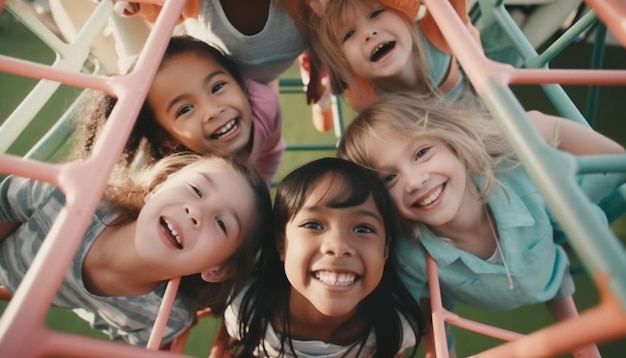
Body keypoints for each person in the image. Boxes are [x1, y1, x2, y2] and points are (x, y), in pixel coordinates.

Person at [337, 92, 625, 357]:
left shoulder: (526, 186)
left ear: (454, 144)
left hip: (546, 269)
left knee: (556, 276)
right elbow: (403, 314)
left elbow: (615, 164)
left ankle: (582, 342)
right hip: (458, 290)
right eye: (389, 178)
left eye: (422, 152)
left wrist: (541, 125)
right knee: (433, 308)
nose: (415, 181)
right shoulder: (412, 253)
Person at [0, 152, 273, 347]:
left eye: (221, 223)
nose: (196, 212)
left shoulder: (164, 317)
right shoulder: (67, 197)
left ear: (218, 269)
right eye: (196, 189)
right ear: (157, 187)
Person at [224, 157, 425, 357]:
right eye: (313, 225)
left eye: (363, 228)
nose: (338, 246)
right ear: (281, 242)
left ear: (385, 250)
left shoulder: (395, 328)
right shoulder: (245, 311)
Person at [77, 35, 285, 186]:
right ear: (168, 137)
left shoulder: (265, 106)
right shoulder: (181, 182)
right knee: (132, 55)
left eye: (217, 87)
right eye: (185, 109)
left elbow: (271, 150)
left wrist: (258, 185)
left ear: (241, 86)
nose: (212, 110)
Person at [117, 0, 334, 132]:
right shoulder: (200, 5)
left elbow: (317, 39)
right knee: (262, 123)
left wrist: (315, 80)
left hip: (297, 56)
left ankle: (315, 99)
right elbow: (165, 13)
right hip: (237, 78)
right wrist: (138, 8)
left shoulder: (295, 6)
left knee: (323, 122)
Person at [313, 0, 481, 112]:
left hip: (477, 110)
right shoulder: (364, 98)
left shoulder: (437, 33)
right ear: (346, 63)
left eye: (376, 13)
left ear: (404, 15)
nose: (368, 34)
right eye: (348, 34)